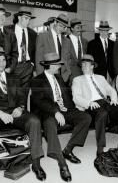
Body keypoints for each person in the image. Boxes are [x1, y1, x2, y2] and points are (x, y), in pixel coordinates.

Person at [0, 47, 44, 182]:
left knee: (34, 120)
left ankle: (36, 164)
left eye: (4, 59)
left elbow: (22, 97)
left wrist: (20, 107)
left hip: (15, 113)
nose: (2, 62)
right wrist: (0, 113)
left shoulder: (14, 78)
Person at [31, 53, 92, 181]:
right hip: (47, 112)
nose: (59, 66)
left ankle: (68, 149)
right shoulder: (37, 80)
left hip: (65, 109)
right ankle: (62, 162)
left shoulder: (58, 78)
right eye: (57, 64)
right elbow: (39, 102)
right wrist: (55, 111)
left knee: (85, 117)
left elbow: (67, 95)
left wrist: (76, 107)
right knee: (50, 124)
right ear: (51, 65)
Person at [72, 55, 118, 155]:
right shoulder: (77, 80)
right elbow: (76, 97)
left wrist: (113, 99)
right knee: (102, 114)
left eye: (86, 64)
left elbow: (110, 90)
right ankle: (100, 147)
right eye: (82, 64)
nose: (83, 66)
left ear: (92, 66)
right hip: (90, 105)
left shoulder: (100, 77)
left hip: (104, 102)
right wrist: (89, 103)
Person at [5, 6, 37, 104]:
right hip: (13, 65)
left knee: (24, 93)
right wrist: (7, 65)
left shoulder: (33, 33)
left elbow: (34, 51)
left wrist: (33, 66)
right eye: (26, 18)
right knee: (11, 92)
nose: (28, 21)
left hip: (27, 67)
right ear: (19, 17)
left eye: (29, 19)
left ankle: (22, 113)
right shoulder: (7, 30)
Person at [35, 14, 72, 83]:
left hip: (64, 77)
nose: (62, 29)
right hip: (48, 76)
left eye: (64, 27)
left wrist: (68, 72)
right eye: (60, 26)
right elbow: (38, 59)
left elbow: (68, 58)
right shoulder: (43, 36)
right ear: (55, 22)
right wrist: (41, 77)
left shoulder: (67, 41)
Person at [67, 18, 88, 84]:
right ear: (72, 28)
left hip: (84, 71)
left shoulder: (85, 41)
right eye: (77, 27)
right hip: (71, 74)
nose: (80, 29)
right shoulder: (66, 40)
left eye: (80, 27)